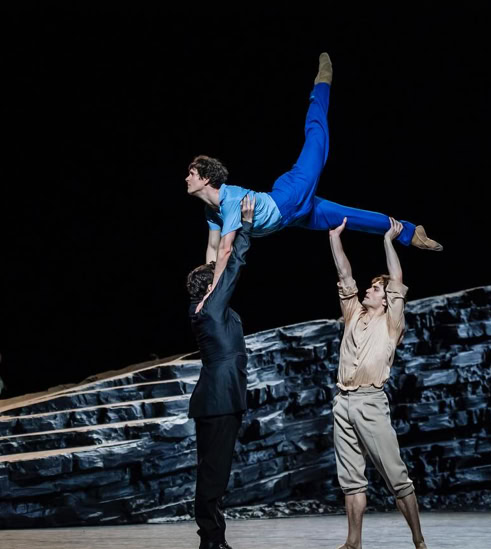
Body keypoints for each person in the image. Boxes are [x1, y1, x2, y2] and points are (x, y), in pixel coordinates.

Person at [185, 52, 442, 307]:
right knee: (348, 217)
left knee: (316, 137)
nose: (187, 178)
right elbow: (213, 248)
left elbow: (225, 250)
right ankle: (409, 232)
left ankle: (321, 84)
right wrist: (209, 284)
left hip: (291, 195)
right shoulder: (211, 210)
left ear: (206, 179)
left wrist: (213, 293)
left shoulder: (229, 199)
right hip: (292, 217)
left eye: (192, 174)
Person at [327, 216, 428, 549]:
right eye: (369, 287)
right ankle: (353, 542)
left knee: (396, 476)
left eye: (374, 288)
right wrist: (335, 238)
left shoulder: (392, 323)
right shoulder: (353, 314)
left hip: (370, 402)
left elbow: (396, 280)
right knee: (351, 480)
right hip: (342, 403)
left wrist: (388, 241)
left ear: (385, 299)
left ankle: (419, 541)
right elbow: (344, 275)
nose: (368, 290)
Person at [185, 195, 256, 549]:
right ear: (211, 286)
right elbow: (234, 262)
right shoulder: (211, 307)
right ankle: (211, 540)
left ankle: (213, 538)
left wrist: (214, 219)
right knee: (214, 474)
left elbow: (215, 258)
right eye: (215, 278)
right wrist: (246, 225)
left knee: (214, 471)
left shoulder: (200, 307)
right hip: (220, 399)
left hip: (215, 399)